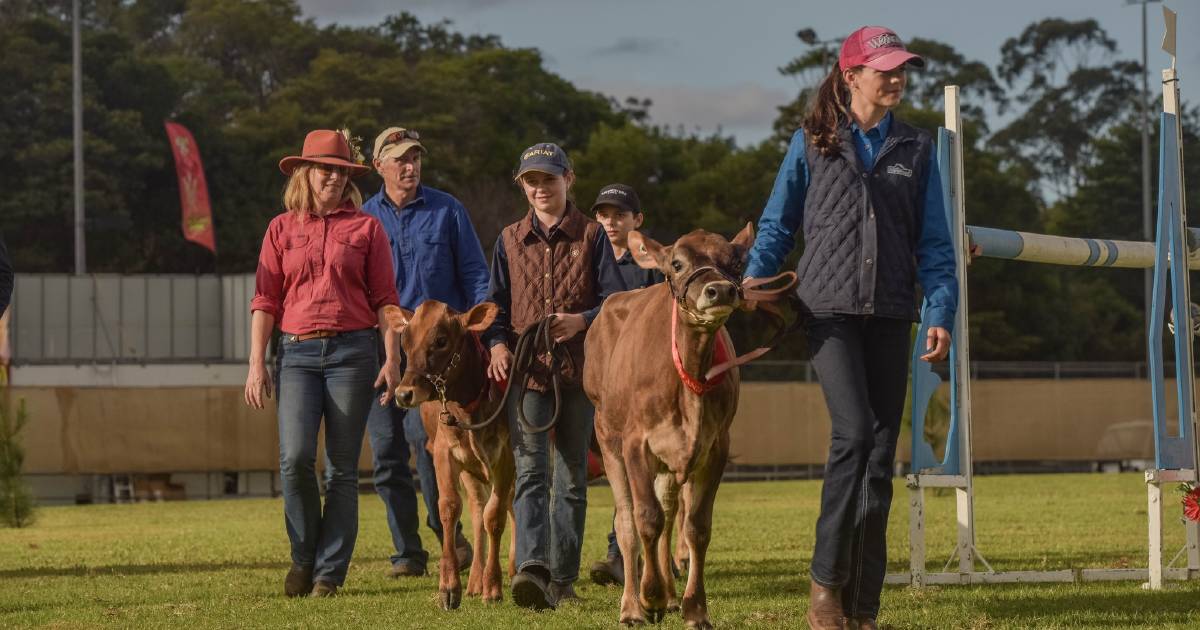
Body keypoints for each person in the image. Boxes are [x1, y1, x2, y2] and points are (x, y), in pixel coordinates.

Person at [743, 27, 957, 630]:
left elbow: (935, 243)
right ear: (850, 75)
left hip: (892, 312)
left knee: (882, 455)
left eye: (901, 69)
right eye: (884, 68)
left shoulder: (917, 149)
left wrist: (938, 311)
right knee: (855, 435)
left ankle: (864, 607)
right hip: (827, 312)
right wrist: (755, 285)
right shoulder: (810, 144)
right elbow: (777, 225)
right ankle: (824, 587)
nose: (896, 78)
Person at [245, 129, 401, 598]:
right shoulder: (280, 228)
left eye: (340, 170)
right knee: (294, 460)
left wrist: (392, 359)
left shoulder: (367, 228)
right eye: (324, 169)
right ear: (305, 173)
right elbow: (265, 299)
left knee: (340, 469)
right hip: (295, 354)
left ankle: (329, 574)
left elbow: (386, 300)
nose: (332, 177)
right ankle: (303, 557)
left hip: (353, 353)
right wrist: (256, 363)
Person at [483, 143, 624, 610]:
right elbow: (495, 306)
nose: (540, 188)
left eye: (549, 179)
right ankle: (532, 569)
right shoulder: (507, 239)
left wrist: (582, 321)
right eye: (531, 181)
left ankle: (563, 580)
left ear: (569, 179)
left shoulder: (592, 235)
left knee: (571, 478)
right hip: (529, 372)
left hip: (580, 373)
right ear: (522, 186)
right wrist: (498, 344)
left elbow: (615, 300)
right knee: (529, 474)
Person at [360, 127, 488, 578]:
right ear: (379, 166)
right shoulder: (362, 218)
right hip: (381, 353)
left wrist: (482, 334)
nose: (409, 166)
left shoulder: (448, 209)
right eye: (399, 159)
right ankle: (406, 554)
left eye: (415, 157)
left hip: (434, 360)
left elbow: (475, 274)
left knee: (429, 446)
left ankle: (446, 536)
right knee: (387, 454)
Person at [585, 183, 663, 587]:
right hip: (596, 377)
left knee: (636, 469)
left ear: (638, 221)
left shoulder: (650, 263)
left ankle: (622, 554)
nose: (610, 222)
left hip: (641, 382)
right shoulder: (590, 256)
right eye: (603, 215)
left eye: (619, 215)